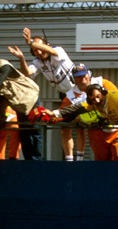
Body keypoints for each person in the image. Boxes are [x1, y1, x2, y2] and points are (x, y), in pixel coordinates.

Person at [7, 28, 82, 161]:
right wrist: (21, 59)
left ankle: (81, 158)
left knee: (82, 125)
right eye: (35, 50)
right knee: (65, 128)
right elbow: (28, 73)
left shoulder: (57, 50)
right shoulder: (37, 62)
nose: (39, 52)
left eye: (40, 47)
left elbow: (51, 51)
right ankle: (70, 160)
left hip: (78, 91)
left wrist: (31, 42)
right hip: (64, 95)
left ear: (46, 45)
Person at [48, 84, 118, 164]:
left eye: (98, 96)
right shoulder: (95, 105)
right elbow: (76, 109)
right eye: (93, 99)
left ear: (103, 92)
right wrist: (54, 113)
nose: (97, 101)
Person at [59, 64, 118, 162]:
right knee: (101, 165)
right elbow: (61, 114)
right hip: (96, 133)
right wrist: (47, 116)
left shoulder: (103, 83)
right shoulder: (70, 96)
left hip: (115, 130)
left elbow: (117, 101)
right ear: (73, 79)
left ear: (89, 74)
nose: (82, 78)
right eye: (78, 77)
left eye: (84, 75)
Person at [0, 58, 42, 160]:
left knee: (34, 132)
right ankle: (28, 161)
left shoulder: (3, 64)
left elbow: (5, 71)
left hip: (31, 99)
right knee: (23, 134)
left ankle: (36, 162)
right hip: (19, 105)